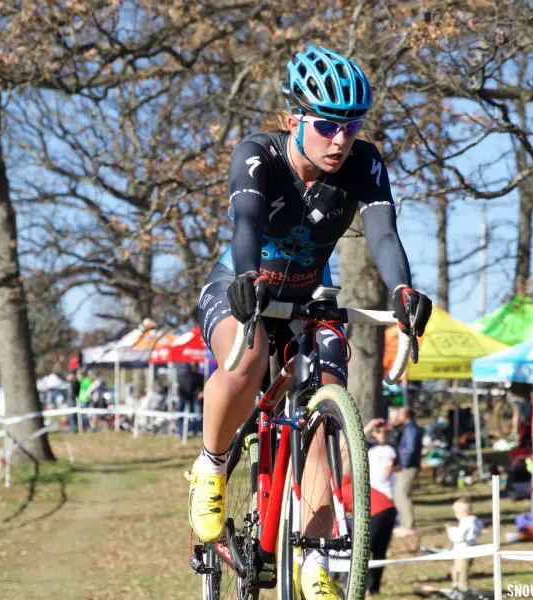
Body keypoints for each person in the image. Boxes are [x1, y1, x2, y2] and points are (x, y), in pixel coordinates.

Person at [185, 43, 432, 598]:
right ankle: (212, 464)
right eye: (326, 125)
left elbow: (385, 235)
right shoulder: (258, 154)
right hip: (241, 285)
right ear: (295, 118)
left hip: (304, 301)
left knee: (325, 407)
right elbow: (247, 223)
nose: (340, 139)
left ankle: (316, 559)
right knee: (245, 361)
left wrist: (403, 291)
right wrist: (249, 279)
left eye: (351, 125)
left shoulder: (364, 163)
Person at [392, 406, 423, 538]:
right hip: (405, 466)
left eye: (399, 414)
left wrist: (402, 464)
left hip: (408, 467)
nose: (397, 417)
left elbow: (410, 449)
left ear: (405, 416)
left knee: (402, 494)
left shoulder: (411, 429)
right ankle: (404, 524)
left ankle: (409, 526)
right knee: (399, 495)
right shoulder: (408, 428)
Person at [446, 497, 483, 592]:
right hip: (469, 551)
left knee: (460, 571)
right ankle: (456, 586)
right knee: (459, 570)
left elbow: (458, 537)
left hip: (463, 552)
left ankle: (461, 588)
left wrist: (451, 530)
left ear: (464, 512)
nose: (456, 515)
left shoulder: (467, 522)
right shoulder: (475, 521)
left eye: (456, 513)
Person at [364, 418, 398, 499]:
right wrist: (371, 424)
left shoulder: (391, 449)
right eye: (379, 432)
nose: (382, 434)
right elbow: (358, 437)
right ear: (373, 433)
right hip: (371, 490)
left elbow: (389, 469)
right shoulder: (369, 448)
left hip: (387, 491)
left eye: (385, 432)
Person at [177, 363, 203, 437]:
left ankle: (194, 430)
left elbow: (198, 386)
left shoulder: (198, 376)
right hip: (184, 397)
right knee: (182, 414)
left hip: (192, 398)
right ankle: (182, 432)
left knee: (195, 414)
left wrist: (200, 392)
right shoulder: (182, 376)